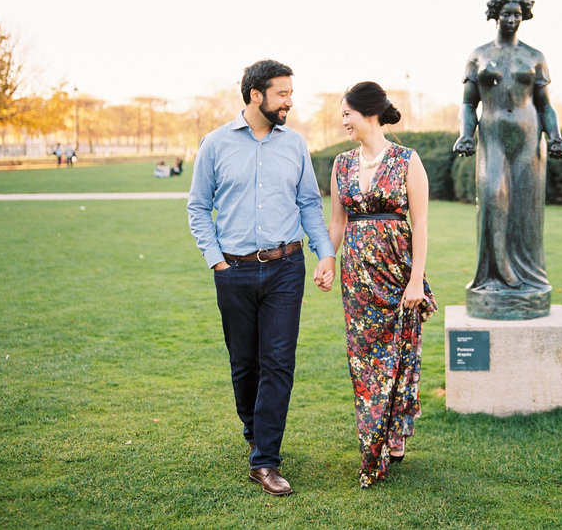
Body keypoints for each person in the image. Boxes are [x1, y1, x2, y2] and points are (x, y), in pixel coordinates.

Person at [187, 59, 336, 497]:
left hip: (286, 267)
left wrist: (324, 253)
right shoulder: (214, 145)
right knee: (244, 365)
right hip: (233, 270)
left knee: (277, 361)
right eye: (283, 93)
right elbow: (198, 207)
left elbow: (309, 203)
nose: (291, 101)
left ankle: (265, 459)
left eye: (291, 92)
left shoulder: (295, 145)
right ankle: (256, 432)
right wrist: (217, 261)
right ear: (256, 95)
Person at [327, 81, 437, 488]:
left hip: (398, 275)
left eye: (347, 114)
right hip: (357, 281)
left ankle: (392, 434)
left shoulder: (408, 161)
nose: (343, 122)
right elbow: (337, 223)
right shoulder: (341, 165)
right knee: (365, 363)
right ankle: (372, 444)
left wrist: (415, 282)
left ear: (369, 114)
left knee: (399, 356)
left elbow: (421, 224)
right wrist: (327, 258)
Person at [453, 0, 562, 319]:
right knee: (492, 198)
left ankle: (528, 280)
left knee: (526, 210)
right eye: (506, 13)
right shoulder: (479, 55)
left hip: (529, 138)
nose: (512, 19)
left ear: (524, 17)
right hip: (492, 136)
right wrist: (465, 135)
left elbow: (545, 104)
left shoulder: (534, 56)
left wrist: (555, 136)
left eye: (517, 13)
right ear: (495, 16)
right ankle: (493, 278)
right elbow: (467, 103)